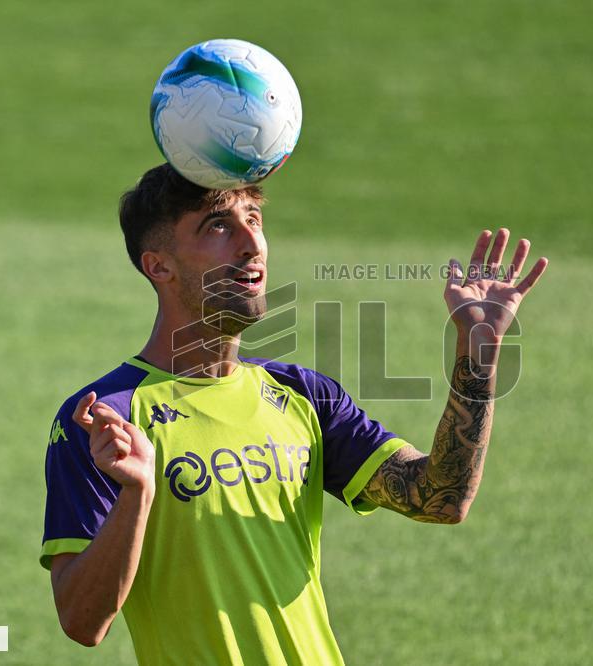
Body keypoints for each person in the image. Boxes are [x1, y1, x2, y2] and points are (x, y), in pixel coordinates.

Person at [40, 163, 547, 665]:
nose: (251, 243)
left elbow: (440, 498)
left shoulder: (302, 394)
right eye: (218, 224)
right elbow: (83, 623)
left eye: (254, 217)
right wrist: (137, 492)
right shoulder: (105, 417)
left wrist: (478, 356)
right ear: (159, 266)